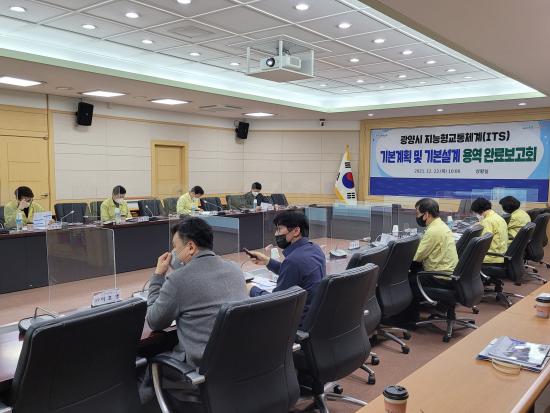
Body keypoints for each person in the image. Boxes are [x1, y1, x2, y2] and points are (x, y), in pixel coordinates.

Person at [146, 217, 247, 367]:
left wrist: (158, 275)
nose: (173, 253)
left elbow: (154, 321)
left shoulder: (177, 280)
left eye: (175, 247)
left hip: (200, 370)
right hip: (236, 362)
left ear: (191, 247)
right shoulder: (235, 269)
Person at [246, 210, 325, 321]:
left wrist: (252, 289)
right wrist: (267, 261)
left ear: (296, 231)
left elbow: (275, 303)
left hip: (296, 323)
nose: (276, 234)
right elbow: (295, 272)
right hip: (313, 317)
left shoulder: (293, 261)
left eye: (279, 229)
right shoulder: (315, 249)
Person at [412, 198, 458, 279]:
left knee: (409, 276)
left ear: (426, 214)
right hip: (450, 273)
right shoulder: (441, 225)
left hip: (439, 277)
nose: (417, 216)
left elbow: (417, 257)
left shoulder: (433, 231)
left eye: (418, 213)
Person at [471, 197, 508, 265]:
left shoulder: (487, 221)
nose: (476, 215)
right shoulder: (497, 217)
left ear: (480, 210)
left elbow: (482, 242)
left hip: (491, 257)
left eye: (476, 213)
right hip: (501, 254)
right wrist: (481, 222)